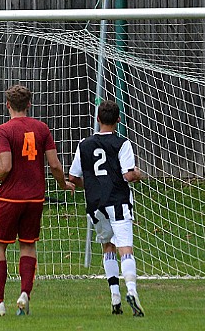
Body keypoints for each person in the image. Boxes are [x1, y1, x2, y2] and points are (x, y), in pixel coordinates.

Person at [0, 85, 75, 317]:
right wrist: (63, 184)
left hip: (10, 198)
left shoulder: (3, 130)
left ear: (7, 104)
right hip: (35, 197)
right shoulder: (42, 129)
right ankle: (24, 294)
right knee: (28, 245)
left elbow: (6, 165)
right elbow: (55, 165)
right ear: (29, 104)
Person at [69, 100, 144, 317]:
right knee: (125, 247)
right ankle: (131, 290)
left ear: (98, 119)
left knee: (107, 246)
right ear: (118, 120)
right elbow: (129, 174)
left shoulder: (84, 144)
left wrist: (93, 185)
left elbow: (73, 177)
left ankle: (115, 297)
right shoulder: (122, 143)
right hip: (118, 200)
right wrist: (137, 175)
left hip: (95, 204)